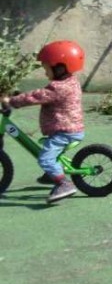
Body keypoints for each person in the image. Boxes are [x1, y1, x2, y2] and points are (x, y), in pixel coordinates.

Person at [1, 41, 86, 203]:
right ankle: (52, 173)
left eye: (47, 68)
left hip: (64, 132)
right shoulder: (70, 81)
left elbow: (37, 96)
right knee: (48, 151)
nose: (45, 72)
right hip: (67, 128)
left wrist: (11, 101)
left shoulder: (59, 88)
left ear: (60, 68)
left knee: (45, 159)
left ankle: (63, 183)